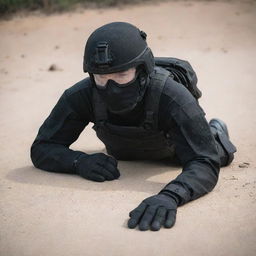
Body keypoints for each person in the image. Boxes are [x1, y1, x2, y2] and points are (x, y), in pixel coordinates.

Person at [30, 22, 237, 231]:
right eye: (102, 77)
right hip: (124, 152)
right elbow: (42, 147)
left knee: (220, 155)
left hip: (174, 153)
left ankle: (216, 130)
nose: (111, 88)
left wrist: (170, 196)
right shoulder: (81, 95)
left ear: (142, 70)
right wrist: (78, 161)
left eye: (121, 75)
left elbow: (204, 161)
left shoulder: (173, 97)